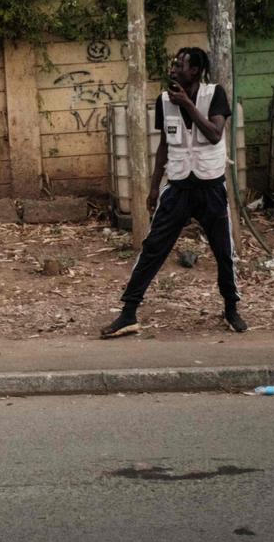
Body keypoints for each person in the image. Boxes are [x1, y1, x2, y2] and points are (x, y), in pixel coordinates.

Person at [102, 46, 248, 338]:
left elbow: (215, 133)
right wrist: (154, 187)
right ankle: (129, 312)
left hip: (210, 187)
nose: (173, 69)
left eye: (180, 65)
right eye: (173, 64)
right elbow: (163, 146)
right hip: (178, 185)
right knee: (153, 247)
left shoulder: (214, 94)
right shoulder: (164, 101)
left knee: (223, 252)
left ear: (195, 71)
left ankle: (231, 308)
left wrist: (188, 105)